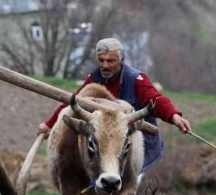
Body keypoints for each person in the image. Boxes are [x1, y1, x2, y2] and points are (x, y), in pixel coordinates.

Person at [38, 38, 191, 173]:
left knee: (129, 190)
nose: (105, 65)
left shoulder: (136, 79)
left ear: (122, 60)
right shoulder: (94, 79)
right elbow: (73, 103)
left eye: (110, 61)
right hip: (106, 150)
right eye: (101, 60)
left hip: (136, 149)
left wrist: (174, 116)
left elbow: (155, 99)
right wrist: (49, 124)